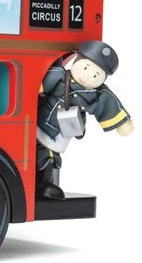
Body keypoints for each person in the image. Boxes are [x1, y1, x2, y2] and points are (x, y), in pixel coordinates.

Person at [36, 40, 133, 199]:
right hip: (37, 121)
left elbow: (108, 103)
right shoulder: (60, 76)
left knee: (49, 157)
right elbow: (39, 85)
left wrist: (122, 123)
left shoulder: (96, 95)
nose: (87, 76)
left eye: (95, 75)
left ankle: (46, 183)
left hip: (58, 133)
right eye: (86, 67)